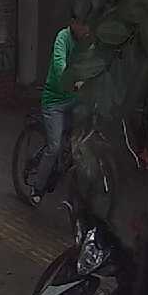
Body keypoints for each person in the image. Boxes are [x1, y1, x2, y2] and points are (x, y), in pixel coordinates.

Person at [31, 15, 92, 204]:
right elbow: (59, 65)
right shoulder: (62, 37)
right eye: (83, 24)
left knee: (83, 139)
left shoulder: (86, 42)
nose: (86, 29)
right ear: (73, 23)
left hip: (75, 100)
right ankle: (37, 187)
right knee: (54, 147)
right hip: (54, 102)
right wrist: (72, 82)